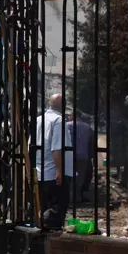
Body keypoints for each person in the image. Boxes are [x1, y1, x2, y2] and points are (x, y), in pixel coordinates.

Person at [34, 94, 73, 229]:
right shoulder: (58, 120)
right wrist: (59, 170)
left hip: (39, 172)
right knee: (56, 212)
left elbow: (30, 146)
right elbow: (56, 148)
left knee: (42, 208)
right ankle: (52, 239)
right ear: (64, 105)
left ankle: (39, 233)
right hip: (53, 173)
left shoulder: (39, 120)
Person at [67, 110, 95, 202]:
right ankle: (77, 197)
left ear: (72, 116)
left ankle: (68, 198)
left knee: (68, 177)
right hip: (83, 156)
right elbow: (91, 142)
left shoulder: (67, 125)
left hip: (68, 156)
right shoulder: (87, 127)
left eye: (69, 116)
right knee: (79, 178)